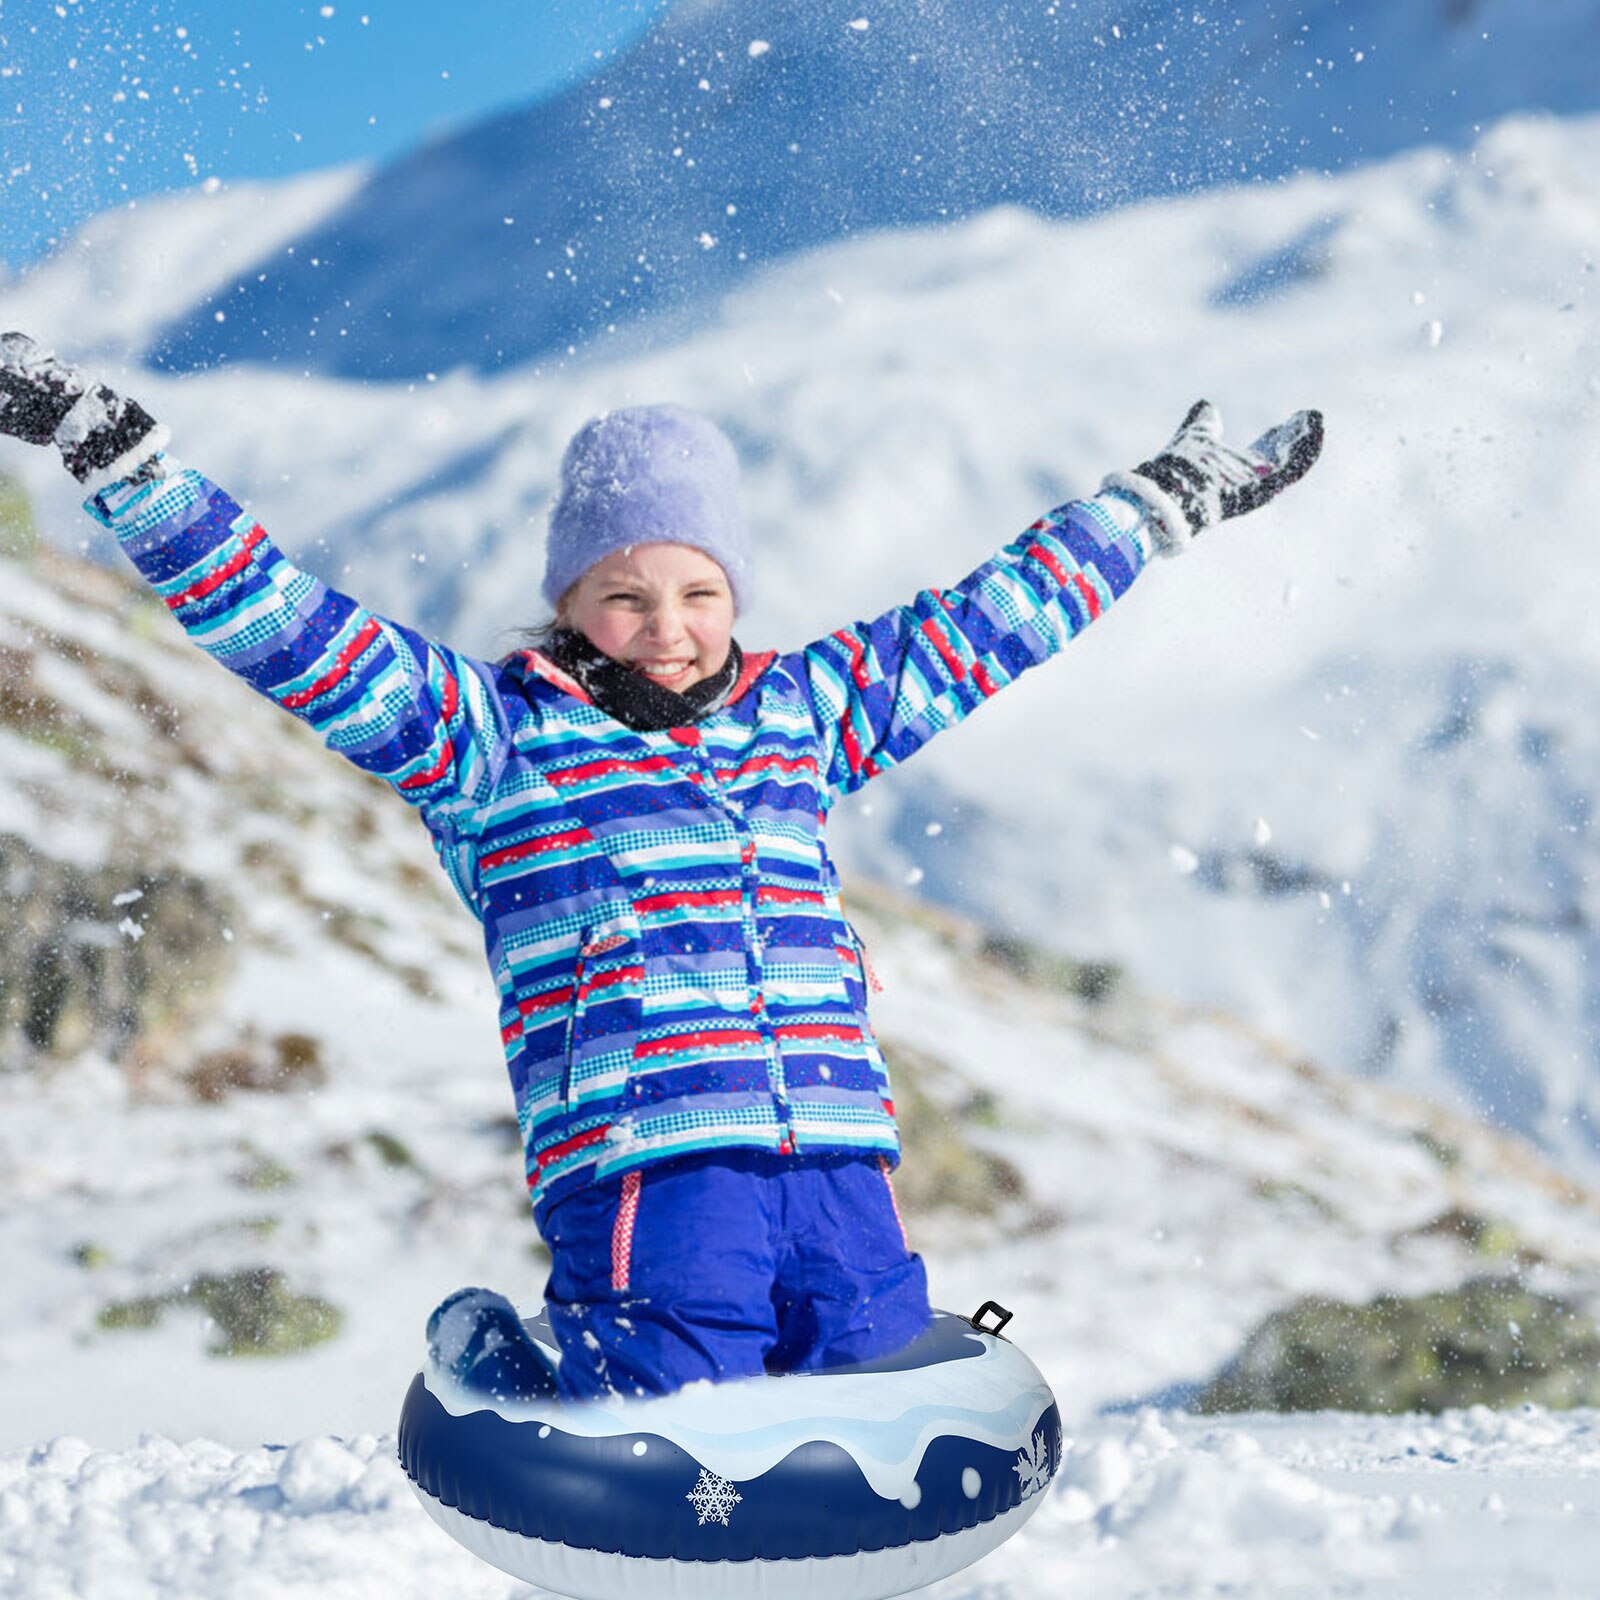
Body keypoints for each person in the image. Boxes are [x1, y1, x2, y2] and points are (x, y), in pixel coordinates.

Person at [0, 331, 1323, 1401]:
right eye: (626, 599)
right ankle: (520, 1389)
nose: (668, 630)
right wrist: (125, 461)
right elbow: (288, 626)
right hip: (649, 1151)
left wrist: (1157, 505)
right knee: (682, 1381)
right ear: (569, 604)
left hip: (836, 1149)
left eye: (699, 594)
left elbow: (986, 624)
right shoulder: (488, 735)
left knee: (868, 1364)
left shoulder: (800, 713)